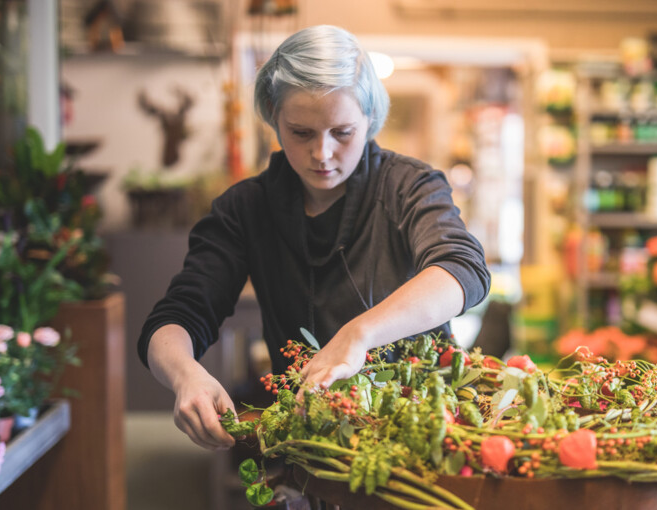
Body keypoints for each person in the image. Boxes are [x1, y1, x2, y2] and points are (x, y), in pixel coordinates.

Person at [138, 25, 491, 451]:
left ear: (370, 118)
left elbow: (462, 270)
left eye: (342, 133)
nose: (322, 154)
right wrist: (185, 375)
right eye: (301, 132)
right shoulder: (245, 209)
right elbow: (176, 317)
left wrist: (356, 335)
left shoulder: (408, 187)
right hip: (310, 443)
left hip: (423, 435)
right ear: (273, 114)